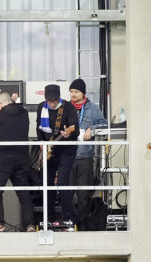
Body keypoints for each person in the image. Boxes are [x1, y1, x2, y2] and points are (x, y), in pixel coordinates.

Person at [0, 91, 34, 232]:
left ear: (0, 104)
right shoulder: (24, 113)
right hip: (22, 158)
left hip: (4, 159)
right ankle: (29, 225)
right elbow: (14, 109)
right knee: (24, 193)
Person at [66, 78, 108, 222]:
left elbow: (104, 124)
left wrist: (92, 128)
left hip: (85, 156)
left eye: (76, 92)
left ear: (83, 93)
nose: (73, 94)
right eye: (71, 91)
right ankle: (69, 222)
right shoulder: (64, 108)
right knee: (67, 192)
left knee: (84, 193)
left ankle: (82, 223)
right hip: (67, 156)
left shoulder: (93, 108)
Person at [35, 83, 79, 223]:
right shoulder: (41, 107)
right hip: (49, 150)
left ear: (59, 98)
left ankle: (68, 217)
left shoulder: (68, 107)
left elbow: (75, 129)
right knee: (46, 182)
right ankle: (49, 217)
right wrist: (42, 144)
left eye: (54, 101)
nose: (52, 104)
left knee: (62, 181)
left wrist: (68, 134)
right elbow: (39, 128)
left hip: (66, 150)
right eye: (50, 101)